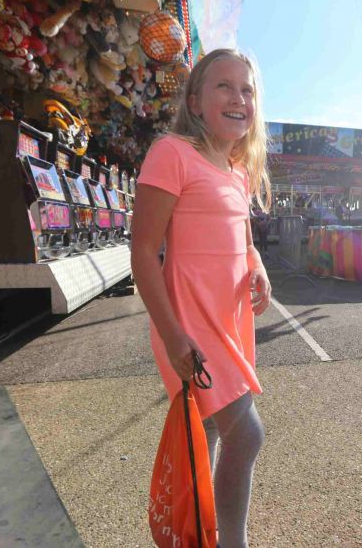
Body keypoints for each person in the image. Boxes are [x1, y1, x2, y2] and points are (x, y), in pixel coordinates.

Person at [131, 49, 271, 548]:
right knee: (246, 435)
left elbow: (245, 239)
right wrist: (173, 336)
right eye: (224, 86)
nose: (239, 98)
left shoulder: (238, 170)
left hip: (230, 323)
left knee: (208, 431)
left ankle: (200, 535)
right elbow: (143, 251)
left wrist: (258, 267)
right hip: (190, 324)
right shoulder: (172, 153)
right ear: (195, 101)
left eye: (247, 89)